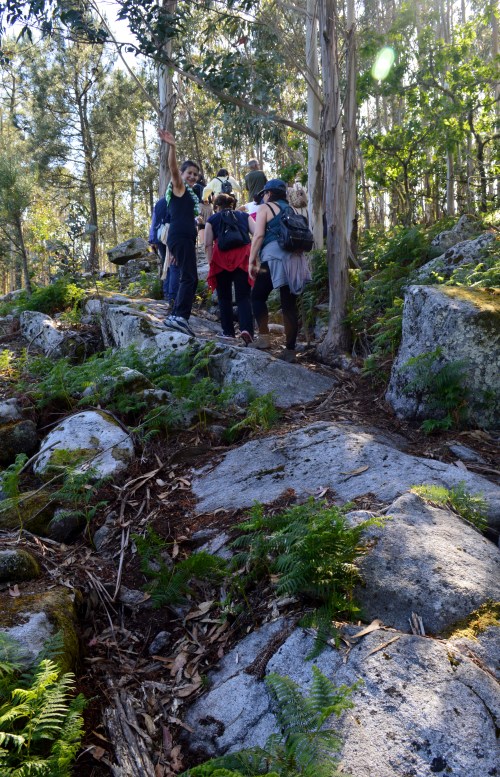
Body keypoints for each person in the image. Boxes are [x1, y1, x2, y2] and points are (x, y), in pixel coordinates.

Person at [248, 179, 300, 363]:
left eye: (264, 194)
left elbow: (258, 235)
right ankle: (290, 350)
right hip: (294, 260)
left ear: (268, 193)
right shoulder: (292, 210)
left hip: (273, 259)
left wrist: (251, 259)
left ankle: (264, 339)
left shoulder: (265, 208)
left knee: (257, 296)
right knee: (289, 305)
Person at [157, 128, 200, 337]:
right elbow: (173, 168)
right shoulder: (179, 188)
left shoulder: (189, 196)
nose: (192, 176)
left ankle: (176, 316)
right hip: (180, 236)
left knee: (188, 277)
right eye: (188, 173)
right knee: (190, 277)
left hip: (181, 238)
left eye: (195, 174)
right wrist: (172, 147)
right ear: (182, 175)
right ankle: (181, 317)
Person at [205, 193, 255, 345]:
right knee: (244, 296)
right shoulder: (244, 216)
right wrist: (255, 256)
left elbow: (207, 244)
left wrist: (210, 263)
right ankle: (247, 329)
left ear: (217, 206)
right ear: (232, 205)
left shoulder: (212, 219)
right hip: (242, 258)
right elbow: (257, 233)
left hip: (221, 259)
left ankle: (228, 332)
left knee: (224, 297)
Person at [149, 197, 180, 307]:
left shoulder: (159, 203)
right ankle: (173, 297)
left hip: (160, 236)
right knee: (174, 264)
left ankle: (167, 293)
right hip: (173, 235)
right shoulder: (177, 200)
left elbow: (154, 221)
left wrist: (152, 239)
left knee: (166, 264)